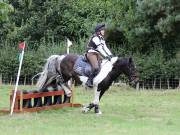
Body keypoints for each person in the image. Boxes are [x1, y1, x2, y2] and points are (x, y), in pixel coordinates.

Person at [85, 24, 113, 88]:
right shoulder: (95, 38)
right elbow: (100, 48)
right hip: (91, 53)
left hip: (97, 54)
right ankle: (89, 81)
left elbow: (105, 48)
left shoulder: (101, 38)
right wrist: (106, 56)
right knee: (96, 67)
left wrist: (111, 55)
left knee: (103, 65)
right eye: (102, 30)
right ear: (98, 31)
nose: (104, 31)